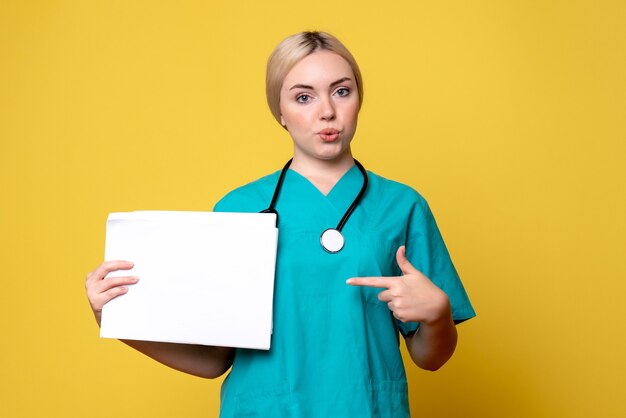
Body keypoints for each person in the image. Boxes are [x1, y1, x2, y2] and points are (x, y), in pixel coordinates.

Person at [85, 31, 475, 418]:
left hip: (364, 407)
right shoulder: (238, 208)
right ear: (281, 113)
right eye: (303, 97)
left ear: (359, 100)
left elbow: (430, 358)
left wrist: (438, 314)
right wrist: (117, 321)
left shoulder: (402, 206)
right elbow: (213, 361)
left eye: (341, 91)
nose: (327, 111)